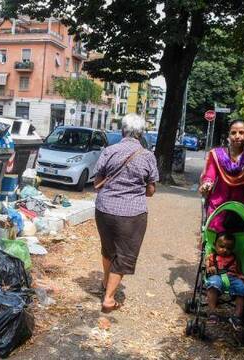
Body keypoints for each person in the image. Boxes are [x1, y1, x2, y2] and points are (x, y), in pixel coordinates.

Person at [93, 113, 158, 313]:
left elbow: (97, 183)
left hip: (104, 210)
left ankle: (106, 283)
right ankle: (109, 299)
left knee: (108, 248)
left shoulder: (109, 151)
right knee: (125, 255)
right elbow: (151, 191)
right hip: (131, 214)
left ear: (122, 130)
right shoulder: (147, 156)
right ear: (141, 134)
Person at [199, 120, 244, 232]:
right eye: (233, 133)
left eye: (242, 132)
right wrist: (207, 184)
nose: (237, 136)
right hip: (218, 206)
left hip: (241, 208)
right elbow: (209, 176)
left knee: (240, 243)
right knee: (214, 242)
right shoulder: (217, 155)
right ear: (228, 135)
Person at [205, 232, 244, 330]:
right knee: (213, 284)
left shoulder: (234, 258)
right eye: (222, 246)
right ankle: (212, 312)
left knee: (243, 288)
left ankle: (237, 316)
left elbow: (238, 270)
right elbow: (207, 266)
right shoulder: (212, 257)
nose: (225, 250)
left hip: (233, 278)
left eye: (229, 248)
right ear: (215, 245)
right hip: (217, 276)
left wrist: (241, 277)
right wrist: (210, 268)